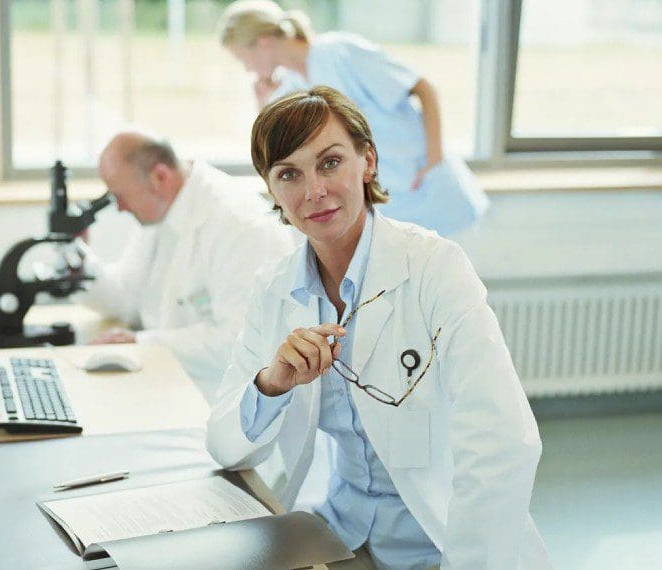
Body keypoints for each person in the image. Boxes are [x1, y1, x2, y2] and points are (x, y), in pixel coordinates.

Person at [206, 87, 550, 569]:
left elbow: (504, 443)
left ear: (367, 161)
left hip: (441, 541)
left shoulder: (435, 269)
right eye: (289, 174)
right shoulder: (275, 289)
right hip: (336, 533)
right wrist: (272, 383)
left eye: (330, 163)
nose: (314, 192)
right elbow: (223, 444)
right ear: (271, 190)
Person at [218, 1, 489, 237]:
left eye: (244, 58)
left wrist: (434, 161)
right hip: (391, 204)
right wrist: (263, 105)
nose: (248, 69)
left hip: (429, 187)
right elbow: (281, 152)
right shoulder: (291, 86)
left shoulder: (339, 52)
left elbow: (424, 89)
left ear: (263, 43)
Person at [79, 130, 295, 400]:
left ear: (160, 177)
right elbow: (127, 299)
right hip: (172, 382)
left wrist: (142, 342)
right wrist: (76, 257)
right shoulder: (161, 213)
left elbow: (239, 341)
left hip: (223, 400)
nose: (119, 207)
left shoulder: (239, 225)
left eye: (119, 195)